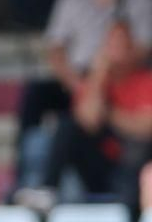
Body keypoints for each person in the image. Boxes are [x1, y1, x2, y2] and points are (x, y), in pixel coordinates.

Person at [14, 0, 152, 193]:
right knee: (38, 96)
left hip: (125, 77)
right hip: (79, 78)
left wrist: (113, 67)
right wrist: (81, 84)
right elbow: (55, 49)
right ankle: (25, 180)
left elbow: (144, 48)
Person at [45, 19, 152, 206]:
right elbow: (88, 119)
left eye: (122, 44)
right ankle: (47, 192)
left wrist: (109, 114)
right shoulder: (95, 81)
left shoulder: (146, 80)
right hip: (100, 165)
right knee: (66, 126)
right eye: (112, 44)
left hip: (133, 165)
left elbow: (145, 127)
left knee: (138, 151)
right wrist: (100, 72)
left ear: (132, 47)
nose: (117, 50)